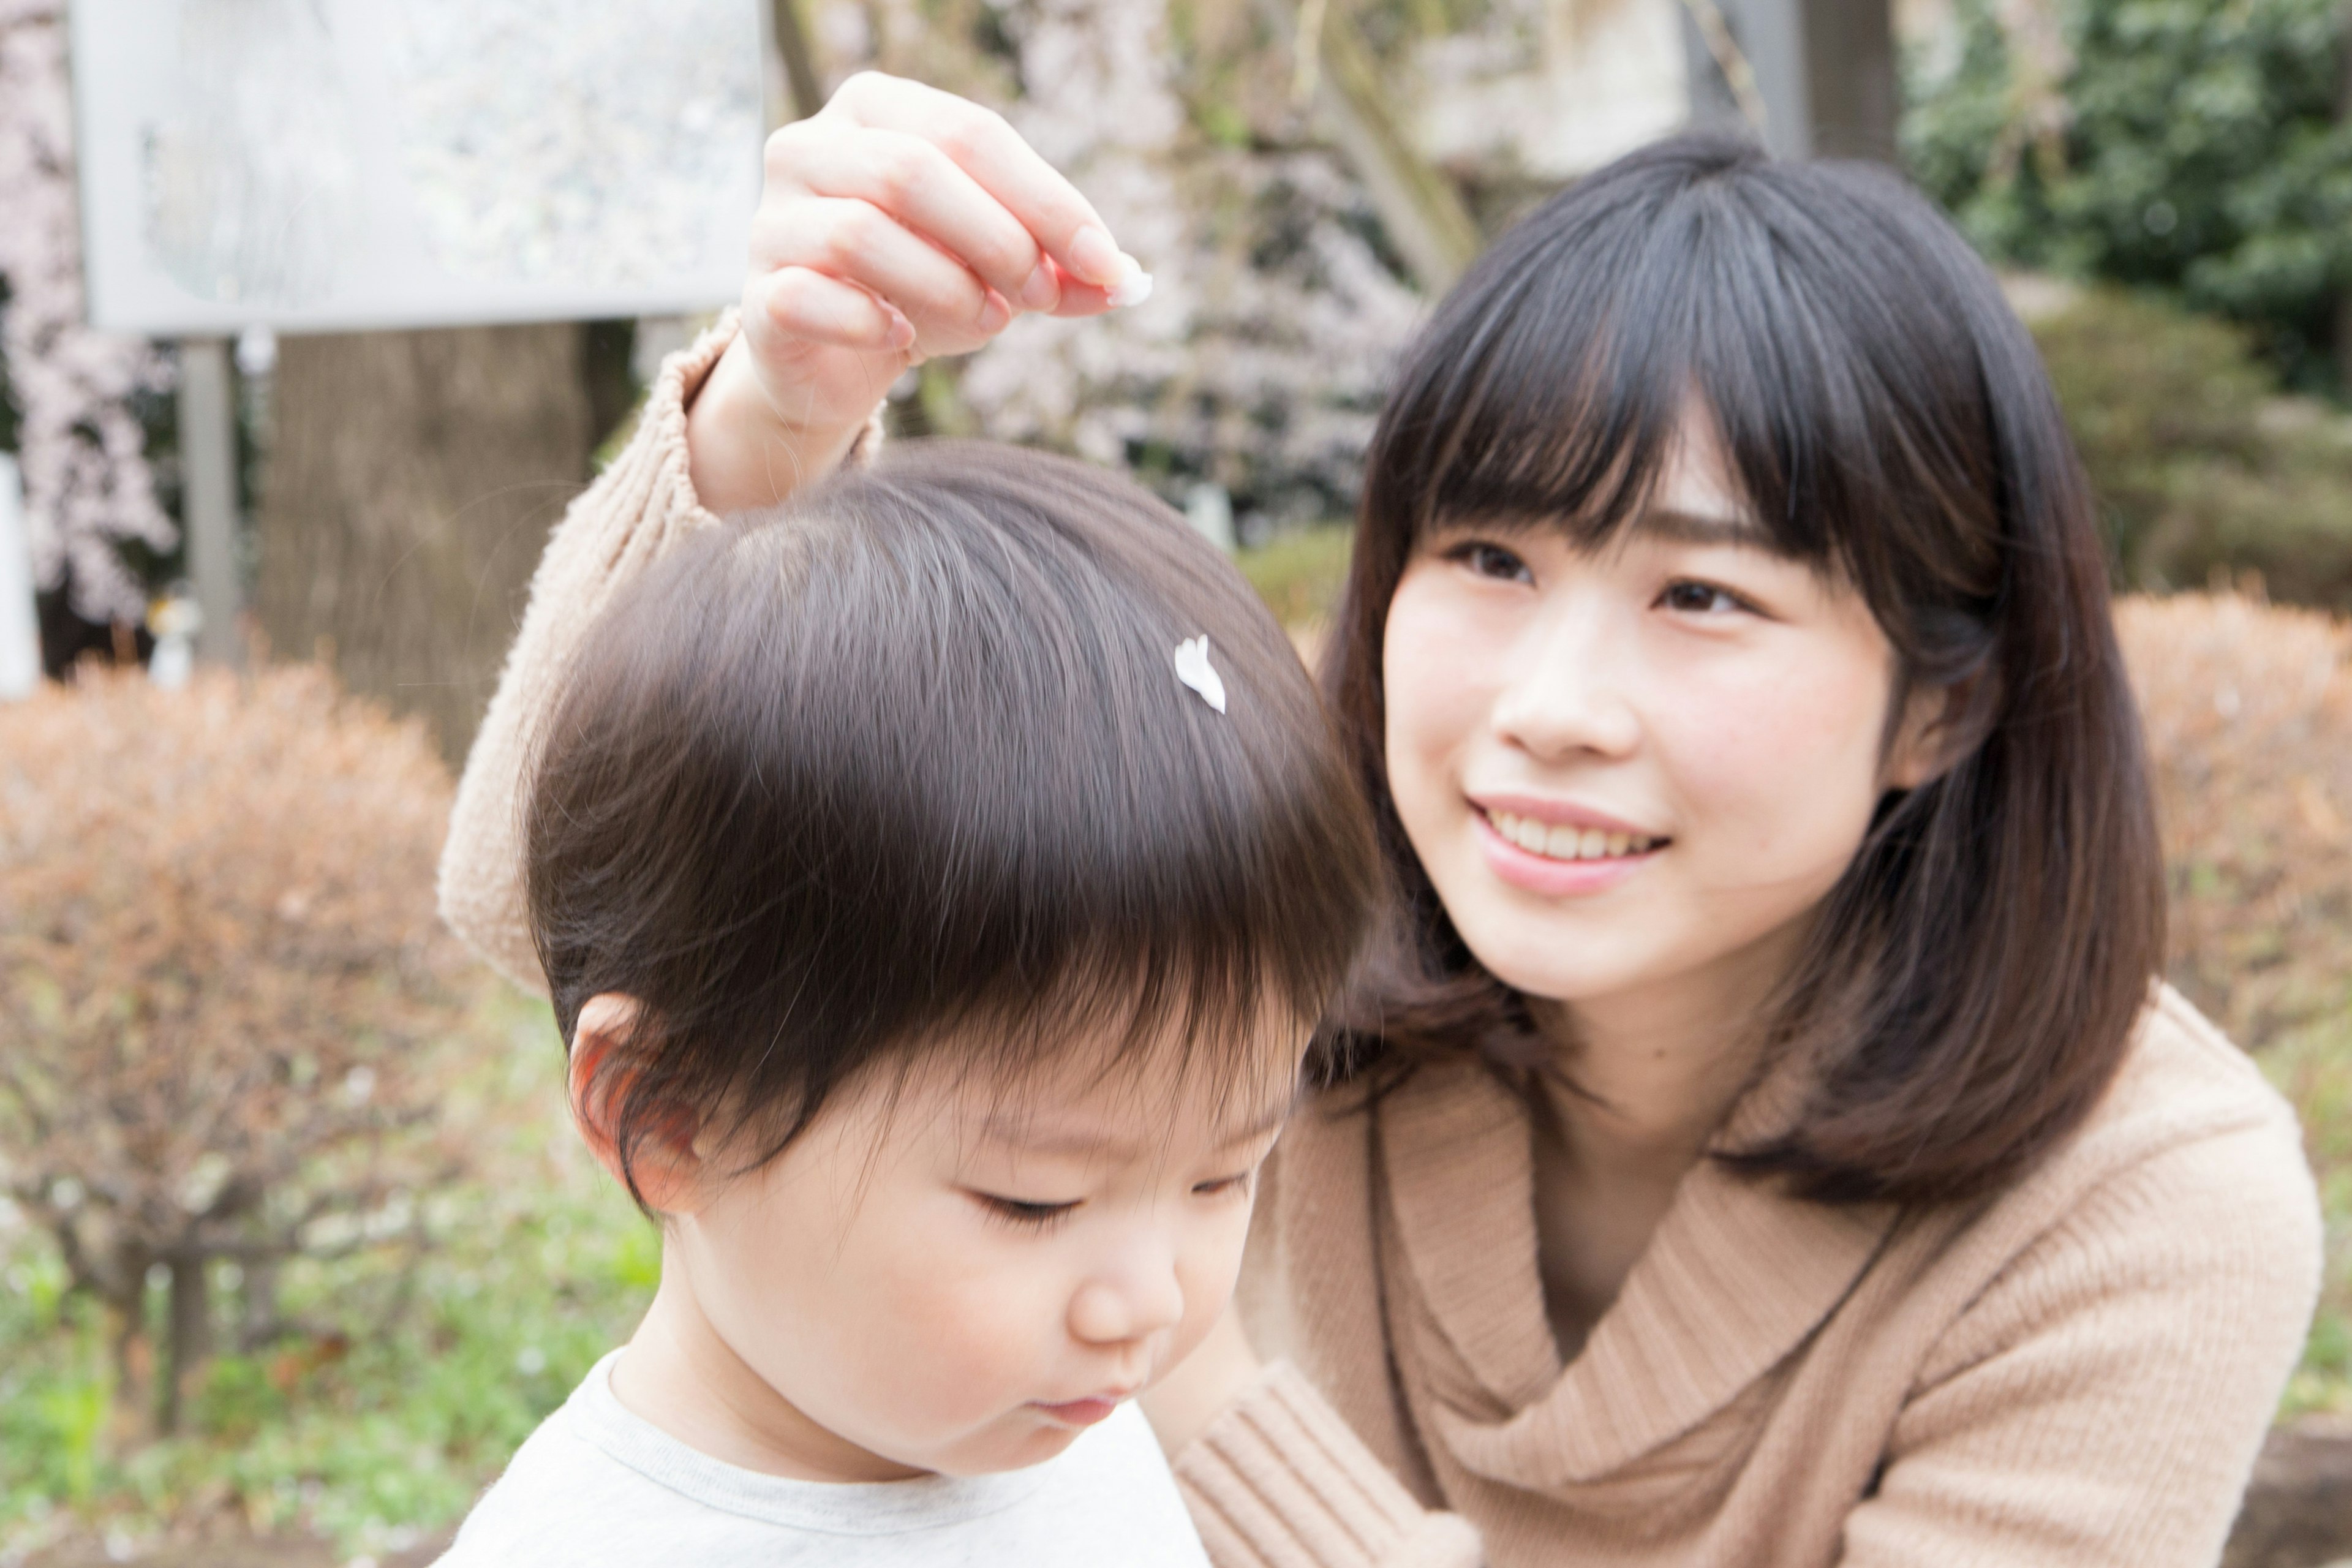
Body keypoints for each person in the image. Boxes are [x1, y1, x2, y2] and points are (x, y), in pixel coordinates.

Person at [439, 72, 2323, 1567]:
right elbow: (586, 920)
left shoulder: (2139, 1202)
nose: (1550, 709)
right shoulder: (1254, 909)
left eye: (1704, 599)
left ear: (1939, 700)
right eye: (1486, 555)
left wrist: (1215, 1400)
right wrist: (773, 417)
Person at [431, 437, 1379, 1565]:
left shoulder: (1058, 1429)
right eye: (1035, 1202)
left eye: (1223, 1175)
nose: (1147, 1302)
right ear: (667, 1112)